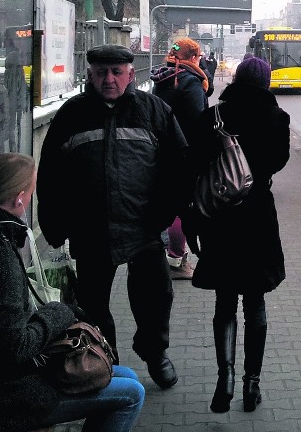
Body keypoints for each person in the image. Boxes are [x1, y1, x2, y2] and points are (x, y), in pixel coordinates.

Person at [0, 153, 145, 432]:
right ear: (19, 199)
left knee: (124, 374)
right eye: (31, 191)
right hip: (0, 398)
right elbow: (15, 346)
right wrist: (58, 312)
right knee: (132, 393)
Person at [37, 44, 191, 390]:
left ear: (130, 75)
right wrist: (54, 223)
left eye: (116, 72)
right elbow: (50, 174)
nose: (109, 79)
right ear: (89, 75)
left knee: (154, 300)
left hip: (144, 228)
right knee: (92, 306)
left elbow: (180, 168)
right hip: (91, 231)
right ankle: (104, 361)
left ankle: (155, 354)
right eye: (101, 72)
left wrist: (165, 213)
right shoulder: (71, 115)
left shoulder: (154, 111)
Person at [185, 56, 290, 414]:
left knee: (225, 301)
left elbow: (193, 169)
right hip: (258, 217)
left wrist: (191, 221)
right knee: (255, 302)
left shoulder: (212, 117)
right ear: (265, 82)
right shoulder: (277, 118)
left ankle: (224, 376)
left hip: (220, 219)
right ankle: (251, 385)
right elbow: (278, 162)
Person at [151, 37, 209, 280]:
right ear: (193, 58)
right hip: (185, 152)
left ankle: (166, 254)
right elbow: (200, 120)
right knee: (181, 208)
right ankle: (176, 259)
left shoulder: (162, 79)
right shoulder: (190, 82)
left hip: (161, 150)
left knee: (167, 203)